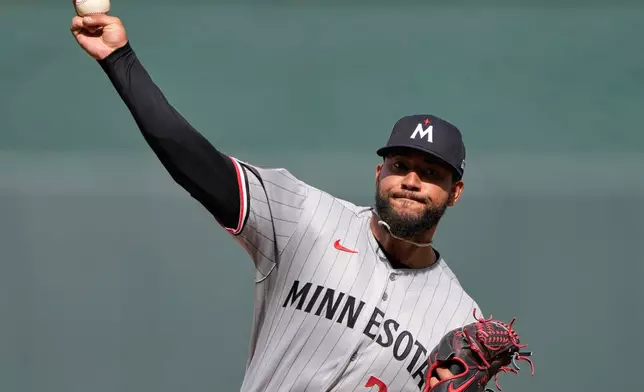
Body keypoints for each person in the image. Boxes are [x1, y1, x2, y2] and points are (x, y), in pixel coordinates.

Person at [71, 13, 482, 392]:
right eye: (400, 165)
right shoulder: (307, 218)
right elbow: (191, 160)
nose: (411, 181)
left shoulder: (461, 320)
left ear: (455, 192)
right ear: (379, 174)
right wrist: (119, 59)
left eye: (431, 173)